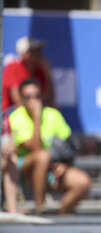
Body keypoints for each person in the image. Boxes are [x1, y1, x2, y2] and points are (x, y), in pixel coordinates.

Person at [9, 79, 91, 214]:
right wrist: (37, 118)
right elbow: (36, 149)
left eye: (37, 96)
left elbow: (70, 146)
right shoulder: (16, 118)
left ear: (43, 96)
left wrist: (65, 166)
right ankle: (40, 207)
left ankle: (62, 214)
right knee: (42, 156)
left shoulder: (53, 114)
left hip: (50, 169)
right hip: (24, 173)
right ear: (21, 98)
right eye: (28, 97)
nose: (33, 100)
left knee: (82, 181)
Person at [2, 36, 55, 111]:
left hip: (33, 111)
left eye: (39, 50)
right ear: (24, 54)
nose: (40, 54)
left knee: (54, 110)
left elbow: (49, 100)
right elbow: (18, 101)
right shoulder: (12, 67)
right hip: (11, 114)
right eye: (34, 51)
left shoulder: (40, 70)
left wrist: (48, 74)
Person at [1, 114, 18, 213]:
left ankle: (12, 209)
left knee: (11, 159)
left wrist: (10, 147)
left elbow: (6, 140)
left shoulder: (4, 118)